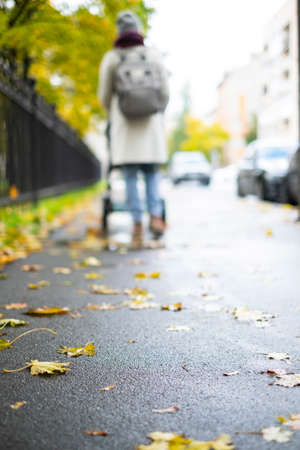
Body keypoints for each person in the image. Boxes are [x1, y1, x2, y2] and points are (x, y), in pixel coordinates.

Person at [98, 10, 169, 246]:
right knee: (151, 174)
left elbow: (104, 95)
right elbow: (165, 91)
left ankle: (137, 224)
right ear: (138, 30)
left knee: (129, 177)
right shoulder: (152, 55)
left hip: (125, 124)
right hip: (150, 123)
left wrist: (114, 112)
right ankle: (156, 218)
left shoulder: (113, 57)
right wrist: (157, 108)